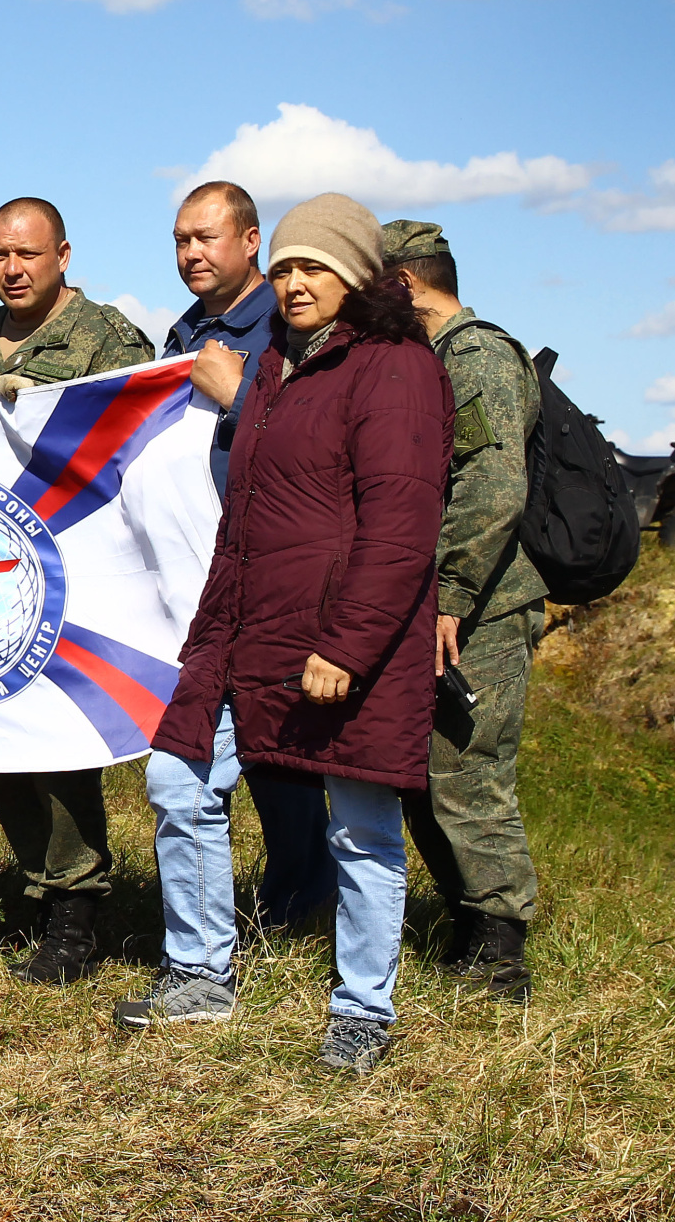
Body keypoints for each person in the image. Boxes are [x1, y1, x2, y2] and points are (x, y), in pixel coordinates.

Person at [120, 193, 449, 1077]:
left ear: (356, 275)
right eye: (288, 268)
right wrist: (211, 628)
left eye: (315, 267)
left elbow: (400, 526)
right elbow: (247, 513)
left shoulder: (396, 369)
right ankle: (197, 973)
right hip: (244, 629)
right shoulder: (277, 368)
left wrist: (346, 645)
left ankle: (361, 1011)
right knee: (177, 779)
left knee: (361, 825)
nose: (294, 283)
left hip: (342, 641)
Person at [0, 196, 155, 984]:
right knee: (0, 735)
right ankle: (35, 884)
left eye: (26, 255)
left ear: (62, 255)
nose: (11, 269)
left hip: (75, 570)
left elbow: (138, 437)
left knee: (63, 743)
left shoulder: (108, 336)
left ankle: (77, 908)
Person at [164, 183, 336, 928]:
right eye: (179, 240)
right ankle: (271, 896)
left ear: (250, 241)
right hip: (206, 571)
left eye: (205, 237)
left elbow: (320, 436)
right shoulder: (180, 332)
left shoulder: (291, 322)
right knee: (211, 745)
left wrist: (238, 397)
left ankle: (305, 893)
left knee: (279, 745)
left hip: (282, 567)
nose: (191, 253)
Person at [385, 218, 548, 1002]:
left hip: (481, 605)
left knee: (467, 771)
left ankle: (500, 947)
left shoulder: (474, 353)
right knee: (421, 772)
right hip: (443, 602)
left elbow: (492, 488)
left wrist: (449, 594)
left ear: (405, 283)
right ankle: (464, 923)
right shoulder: (428, 359)